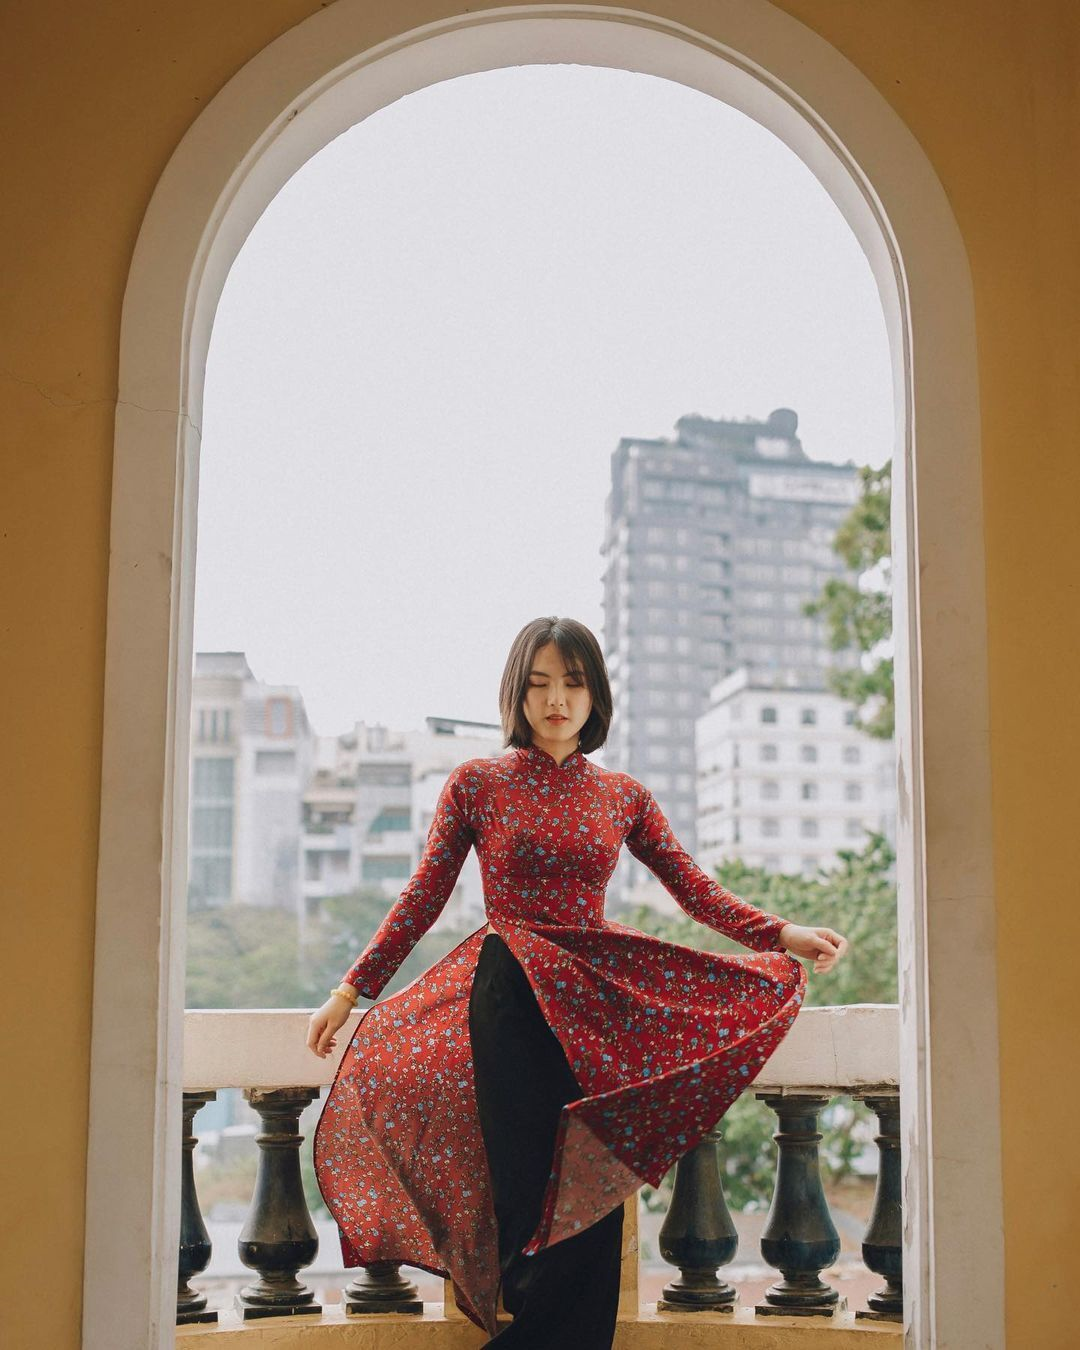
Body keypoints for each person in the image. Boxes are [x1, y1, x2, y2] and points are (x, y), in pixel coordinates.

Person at [307, 616, 847, 1346]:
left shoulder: (622, 795)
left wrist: (780, 935)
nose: (555, 699)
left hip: (589, 1002)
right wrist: (351, 991)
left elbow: (694, 889)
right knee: (528, 1189)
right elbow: (423, 895)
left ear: (595, 695)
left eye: (572, 682)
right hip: (508, 998)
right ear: (515, 695)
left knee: (590, 1185)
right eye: (537, 684)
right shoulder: (477, 782)